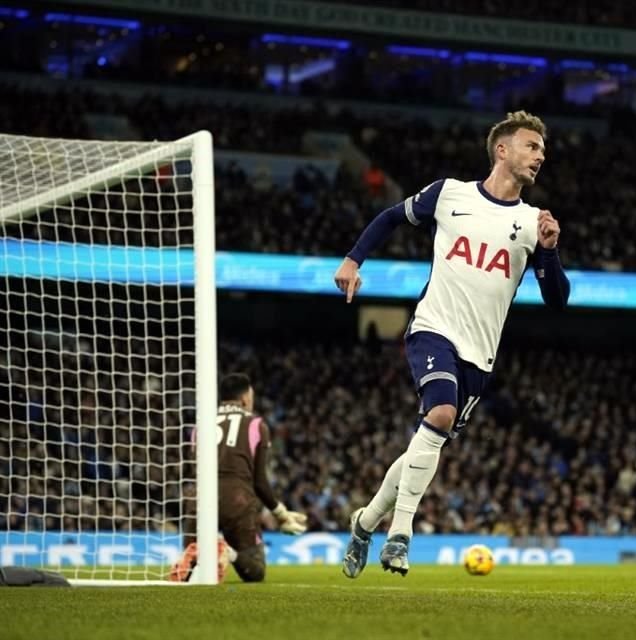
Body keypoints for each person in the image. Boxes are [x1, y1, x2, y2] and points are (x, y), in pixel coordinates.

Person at [334, 111, 570, 578]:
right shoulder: (450, 194)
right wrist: (352, 259)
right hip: (433, 328)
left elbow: (556, 301)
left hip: (480, 354)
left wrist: (550, 249)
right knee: (438, 415)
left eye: (542, 150)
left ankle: (364, 522)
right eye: (531, 146)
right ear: (502, 150)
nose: (540, 156)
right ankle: (400, 534)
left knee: (429, 439)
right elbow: (389, 217)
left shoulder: (532, 222)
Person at [170, 373, 307, 583]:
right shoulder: (256, 425)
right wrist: (280, 513)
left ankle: (200, 553)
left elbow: (192, 470)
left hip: (200, 499)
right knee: (255, 572)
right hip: (237, 499)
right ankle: (226, 550)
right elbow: (259, 482)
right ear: (245, 399)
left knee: (188, 569)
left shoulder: (201, 425)